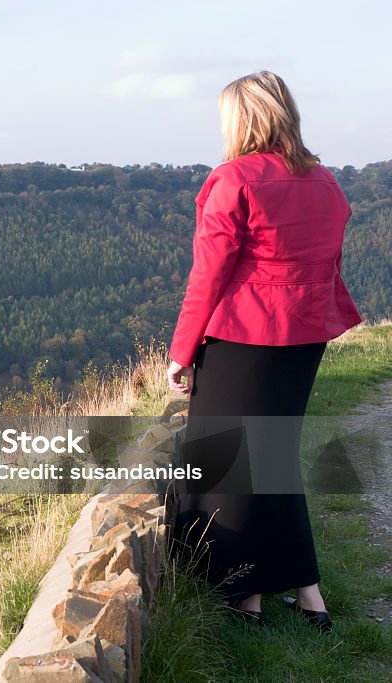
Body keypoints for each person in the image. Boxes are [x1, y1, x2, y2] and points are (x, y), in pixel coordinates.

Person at [165, 70, 362, 631]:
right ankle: (309, 597)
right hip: (303, 335)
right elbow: (326, 263)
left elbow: (207, 276)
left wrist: (182, 351)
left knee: (227, 465)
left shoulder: (234, 180)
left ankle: (244, 599)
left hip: (244, 335)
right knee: (274, 458)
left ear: (241, 119)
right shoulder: (325, 181)